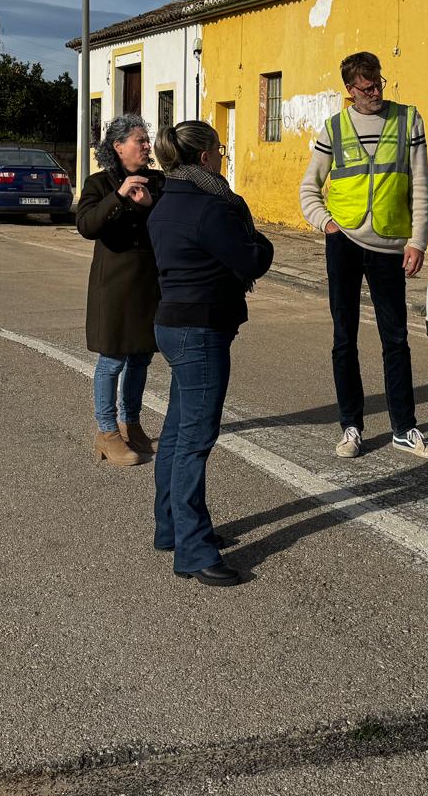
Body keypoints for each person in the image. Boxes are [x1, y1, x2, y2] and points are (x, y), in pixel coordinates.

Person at [147, 119, 274, 587]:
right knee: (194, 440)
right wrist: (261, 240)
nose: (222, 157)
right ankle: (193, 551)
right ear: (204, 157)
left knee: (178, 432)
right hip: (199, 329)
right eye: (219, 150)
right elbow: (250, 259)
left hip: (173, 324)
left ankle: (171, 528)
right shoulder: (212, 207)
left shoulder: (165, 201)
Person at [299, 51, 428, 461]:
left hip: (388, 245)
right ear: (350, 90)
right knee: (344, 338)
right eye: (367, 86)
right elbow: (309, 187)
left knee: (395, 339)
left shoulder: (408, 120)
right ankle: (351, 426)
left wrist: (417, 241)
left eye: (379, 81)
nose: (376, 91)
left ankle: (404, 428)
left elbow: (420, 184)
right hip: (342, 242)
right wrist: (326, 224)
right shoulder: (334, 129)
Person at [76, 116, 165, 466]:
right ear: (117, 146)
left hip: (149, 283)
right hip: (113, 285)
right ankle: (106, 431)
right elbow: (87, 225)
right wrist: (120, 196)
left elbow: (169, 222)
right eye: (139, 140)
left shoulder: (158, 182)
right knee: (112, 359)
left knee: (142, 356)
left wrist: (149, 205)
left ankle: (132, 424)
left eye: (147, 140)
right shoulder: (99, 183)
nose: (146, 146)